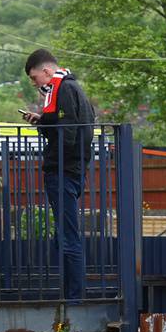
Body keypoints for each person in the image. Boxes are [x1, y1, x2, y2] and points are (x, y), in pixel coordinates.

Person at [21, 48, 95, 301]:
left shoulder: (62, 88)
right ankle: (71, 295)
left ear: (46, 71)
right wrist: (42, 121)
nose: (34, 83)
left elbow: (68, 134)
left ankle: (74, 299)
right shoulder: (74, 88)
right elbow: (68, 127)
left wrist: (55, 159)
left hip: (63, 170)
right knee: (64, 235)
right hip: (72, 169)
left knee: (68, 237)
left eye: (34, 78)